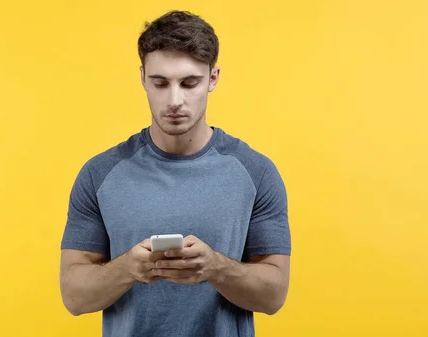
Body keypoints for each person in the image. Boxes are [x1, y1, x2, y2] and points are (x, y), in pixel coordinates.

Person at [60, 10, 291, 337]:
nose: (174, 100)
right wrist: (128, 268)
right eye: (160, 83)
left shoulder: (256, 172)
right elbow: (73, 297)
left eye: (189, 82)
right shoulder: (100, 174)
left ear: (213, 78)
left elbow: (273, 296)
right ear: (142, 78)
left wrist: (215, 268)